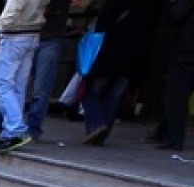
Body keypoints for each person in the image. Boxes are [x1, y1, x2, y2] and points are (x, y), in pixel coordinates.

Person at [80, 0, 163, 145]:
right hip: (136, 55)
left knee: (91, 90)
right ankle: (102, 132)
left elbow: (105, 19)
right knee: (115, 95)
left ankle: (96, 124)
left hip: (111, 50)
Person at [0, 0, 51, 152]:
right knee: (18, 86)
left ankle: (15, 128)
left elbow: (13, 9)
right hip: (32, 33)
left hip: (14, 34)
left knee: (3, 84)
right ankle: (10, 132)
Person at [25, 0, 69, 141]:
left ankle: (32, 127)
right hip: (31, 35)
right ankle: (19, 126)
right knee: (26, 85)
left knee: (40, 87)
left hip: (47, 36)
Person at [154, 0, 194, 150]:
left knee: (176, 95)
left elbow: (176, 14)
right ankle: (163, 130)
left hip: (186, 50)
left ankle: (174, 137)